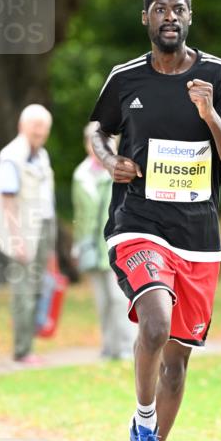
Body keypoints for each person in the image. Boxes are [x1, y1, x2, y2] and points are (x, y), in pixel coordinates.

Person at [89, 0, 221, 441]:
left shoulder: (217, 76)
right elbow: (96, 129)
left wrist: (210, 117)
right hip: (136, 223)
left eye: (179, 9)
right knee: (154, 322)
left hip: (198, 238)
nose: (170, 16)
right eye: (160, 8)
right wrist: (105, 158)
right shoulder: (125, 78)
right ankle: (142, 422)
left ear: (189, 18)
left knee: (178, 368)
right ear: (146, 18)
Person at [0, 104, 56, 364]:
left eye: (44, 127)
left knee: (37, 289)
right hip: (21, 232)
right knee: (23, 292)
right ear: (22, 125)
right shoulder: (11, 156)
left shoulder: (42, 156)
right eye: (35, 125)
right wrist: (17, 239)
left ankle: (29, 345)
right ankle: (22, 350)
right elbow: (7, 201)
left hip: (42, 229)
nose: (40, 131)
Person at [72, 123, 136, 360]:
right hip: (91, 247)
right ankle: (108, 348)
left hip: (117, 246)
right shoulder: (80, 175)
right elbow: (80, 214)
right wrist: (77, 245)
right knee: (102, 302)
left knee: (120, 299)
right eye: (92, 142)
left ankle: (127, 348)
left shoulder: (123, 170)